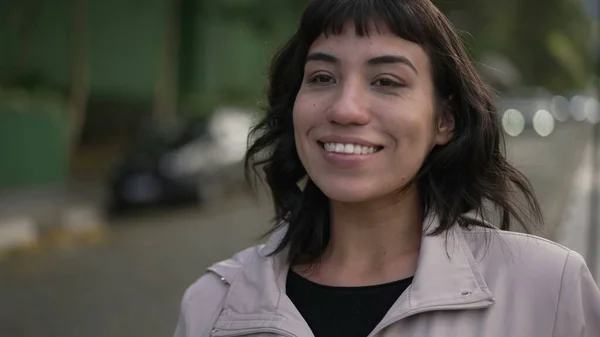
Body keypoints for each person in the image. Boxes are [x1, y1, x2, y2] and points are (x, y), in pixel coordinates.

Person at [174, 0, 600, 336]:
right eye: (322, 77)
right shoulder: (213, 305)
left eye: (386, 82)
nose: (345, 108)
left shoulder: (548, 289)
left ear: (444, 121)